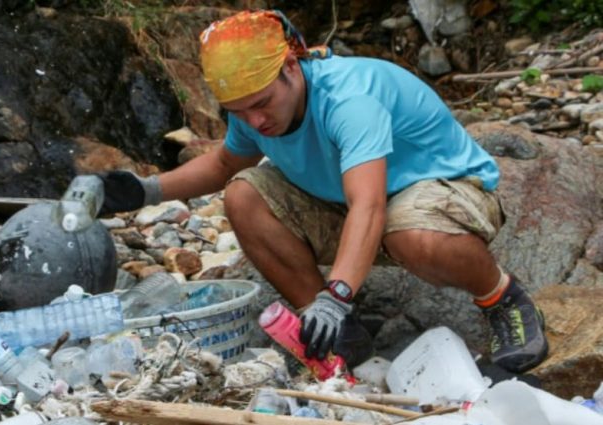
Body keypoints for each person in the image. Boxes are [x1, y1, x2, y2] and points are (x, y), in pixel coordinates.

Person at [96, 10, 547, 373]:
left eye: (261, 104)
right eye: (238, 111)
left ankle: (502, 298)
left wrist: (338, 294)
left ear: (291, 66)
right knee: (243, 195)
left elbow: (368, 208)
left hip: (442, 191)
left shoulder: (349, 101)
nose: (254, 121)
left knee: (407, 233)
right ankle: (340, 335)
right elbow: (223, 165)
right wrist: (144, 191)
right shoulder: (253, 103)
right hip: (350, 203)